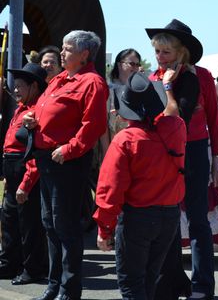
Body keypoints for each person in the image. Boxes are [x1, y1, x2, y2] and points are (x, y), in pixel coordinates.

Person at [23, 30, 109, 300]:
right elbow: (43, 108)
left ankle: (69, 290)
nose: (62, 53)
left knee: (65, 227)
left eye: (68, 49)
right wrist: (32, 117)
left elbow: (93, 125)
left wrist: (69, 149)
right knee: (49, 223)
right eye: (62, 47)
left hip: (66, 162)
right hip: (47, 159)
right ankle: (54, 285)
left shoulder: (92, 82)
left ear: (84, 54)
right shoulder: (61, 78)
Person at [148, 19, 218, 300]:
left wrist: (217, 159)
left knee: (197, 219)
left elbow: (214, 121)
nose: (159, 57)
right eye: (157, 51)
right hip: (164, 154)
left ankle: (203, 285)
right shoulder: (153, 78)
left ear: (181, 52)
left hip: (194, 149)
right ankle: (173, 282)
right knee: (167, 217)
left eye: (165, 52)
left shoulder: (201, 76)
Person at [94, 70, 185, 300]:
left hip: (138, 217)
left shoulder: (125, 140)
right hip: (169, 215)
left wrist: (105, 228)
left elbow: (111, 188)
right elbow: (171, 116)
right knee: (149, 279)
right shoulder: (177, 127)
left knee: (132, 284)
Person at [0, 64, 48, 285]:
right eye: (15, 86)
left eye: (20, 86)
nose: (16, 90)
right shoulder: (21, 108)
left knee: (29, 223)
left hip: (25, 169)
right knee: (10, 218)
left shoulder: (38, 110)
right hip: (12, 167)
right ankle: (10, 263)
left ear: (34, 86)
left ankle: (33, 269)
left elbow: (35, 153)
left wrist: (26, 184)